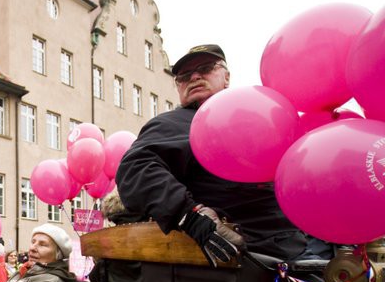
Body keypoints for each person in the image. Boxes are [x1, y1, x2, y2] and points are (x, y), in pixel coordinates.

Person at [117, 44, 307, 264]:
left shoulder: (255, 115)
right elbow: (135, 168)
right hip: (245, 259)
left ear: (226, 77)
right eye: (185, 75)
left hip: (300, 247)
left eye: (206, 68)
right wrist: (190, 216)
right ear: (178, 88)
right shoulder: (173, 123)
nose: (195, 76)